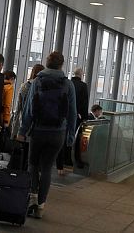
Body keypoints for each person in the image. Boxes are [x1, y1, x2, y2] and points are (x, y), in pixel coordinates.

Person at [18, 52, 76, 220]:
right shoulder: (68, 84)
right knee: (47, 168)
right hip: (58, 132)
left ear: (47, 63)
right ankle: (41, 206)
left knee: (33, 165)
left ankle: (33, 198)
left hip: (38, 131)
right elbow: (72, 113)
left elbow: (29, 109)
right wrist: (70, 136)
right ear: (61, 65)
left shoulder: (37, 81)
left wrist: (22, 131)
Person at [9, 64, 44, 171]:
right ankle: (29, 176)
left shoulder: (24, 86)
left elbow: (18, 109)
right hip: (36, 127)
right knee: (33, 157)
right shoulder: (42, 88)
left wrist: (14, 131)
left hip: (23, 125)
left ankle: (20, 174)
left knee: (21, 154)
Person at [56, 68, 89, 175]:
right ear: (81, 75)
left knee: (62, 137)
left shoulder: (68, 83)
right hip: (76, 116)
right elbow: (84, 103)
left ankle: (61, 160)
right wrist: (84, 117)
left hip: (63, 115)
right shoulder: (83, 86)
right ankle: (71, 160)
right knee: (74, 137)